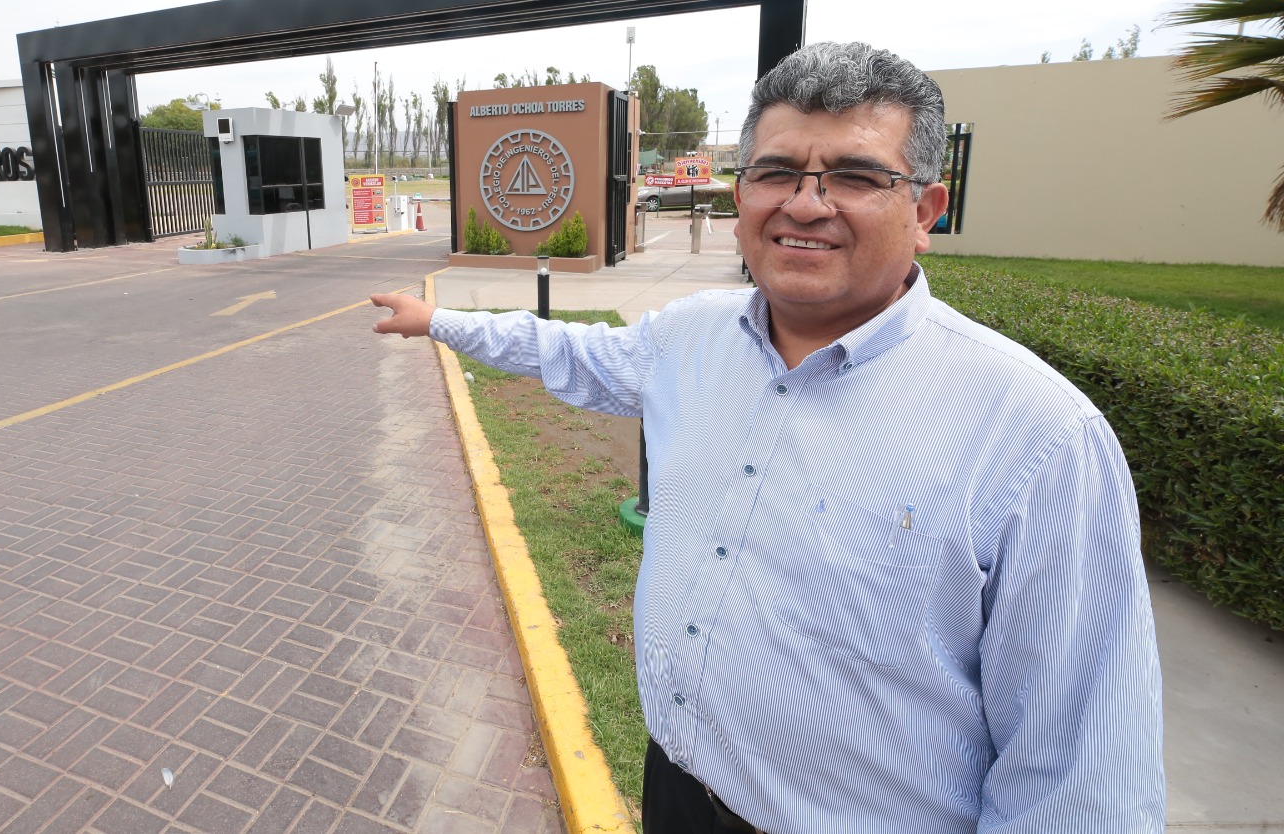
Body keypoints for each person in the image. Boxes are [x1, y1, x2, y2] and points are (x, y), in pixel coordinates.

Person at [371, 42, 1163, 833]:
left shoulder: (1040, 440)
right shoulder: (691, 340)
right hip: (677, 789)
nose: (805, 204)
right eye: (777, 172)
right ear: (743, 193)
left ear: (926, 211)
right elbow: (570, 354)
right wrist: (438, 320)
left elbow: (1077, 783)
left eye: (855, 177)